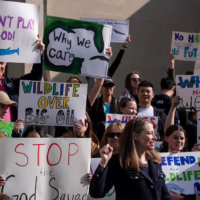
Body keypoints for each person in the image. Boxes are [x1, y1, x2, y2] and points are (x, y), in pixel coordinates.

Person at [89, 118, 172, 200]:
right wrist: (103, 163)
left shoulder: (155, 161)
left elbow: (165, 195)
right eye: (150, 133)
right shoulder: (119, 162)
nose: (155, 138)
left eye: (154, 133)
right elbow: (96, 193)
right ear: (136, 136)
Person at [0, 35, 45, 122]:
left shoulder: (12, 83)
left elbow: (35, 77)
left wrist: (39, 55)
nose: (0, 66)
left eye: (2, 63)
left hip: (10, 133)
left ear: (6, 66)